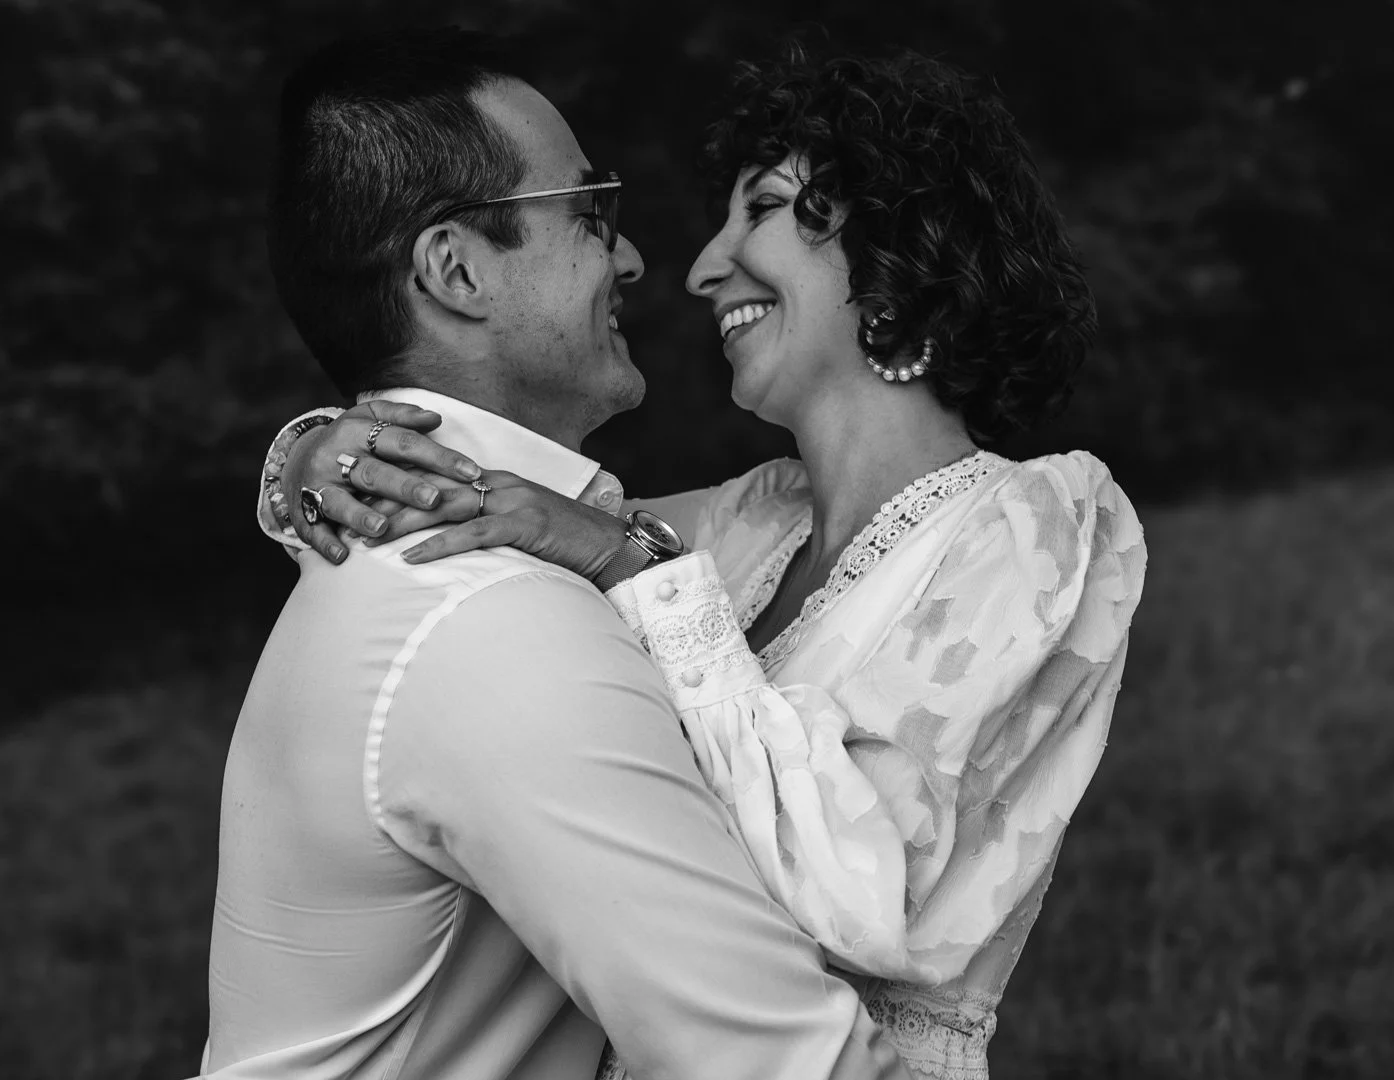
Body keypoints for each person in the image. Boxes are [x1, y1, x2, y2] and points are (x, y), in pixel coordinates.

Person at [262, 43, 1149, 1080]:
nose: (697, 267)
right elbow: (502, 513)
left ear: (905, 242)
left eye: (762, 209)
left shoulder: (1035, 525)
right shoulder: (745, 525)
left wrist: (630, 568)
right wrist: (315, 452)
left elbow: (852, 895)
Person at [202, 27, 911, 1080]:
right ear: (455, 270)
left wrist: (306, 451)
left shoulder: (436, 553)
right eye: (589, 213)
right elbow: (783, 1064)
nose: (632, 259)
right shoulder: (490, 618)